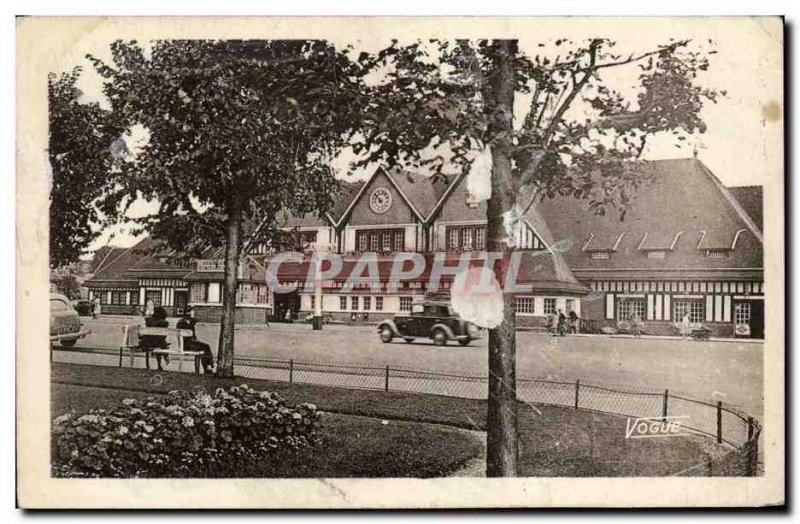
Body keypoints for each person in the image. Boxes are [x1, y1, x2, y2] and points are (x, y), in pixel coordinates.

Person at [176, 307, 215, 375]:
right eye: (191, 312)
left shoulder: (187, 322)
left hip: (189, 343)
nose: (193, 314)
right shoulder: (183, 323)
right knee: (205, 347)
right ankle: (207, 368)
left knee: (205, 347)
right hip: (187, 344)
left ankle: (208, 367)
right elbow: (188, 335)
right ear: (188, 313)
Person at [141, 306, 170, 370]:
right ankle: (163, 359)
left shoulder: (148, 321)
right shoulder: (165, 322)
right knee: (161, 344)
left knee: (158, 343)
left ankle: (155, 364)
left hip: (148, 343)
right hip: (159, 343)